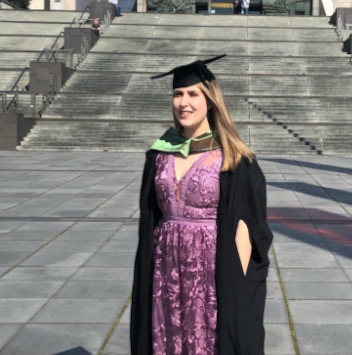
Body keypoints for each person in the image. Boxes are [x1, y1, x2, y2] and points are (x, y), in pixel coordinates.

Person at [131, 54, 273, 354]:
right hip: (166, 265)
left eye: (193, 94)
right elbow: (150, 219)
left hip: (212, 266)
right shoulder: (159, 155)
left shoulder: (235, 159)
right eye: (177, 94)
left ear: (210, 100)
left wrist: (236, 283)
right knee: (166, 332)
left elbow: (248, 227)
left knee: (208, 337)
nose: (184, 102)